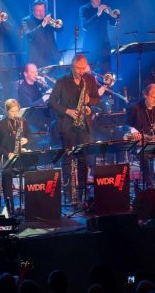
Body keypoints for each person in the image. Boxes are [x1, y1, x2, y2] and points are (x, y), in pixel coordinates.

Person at [49, 54, 101, 204]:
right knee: (67, 160)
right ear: (72, 66)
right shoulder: (62, 81)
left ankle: (83, 193)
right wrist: (67, 111)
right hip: (67, 125)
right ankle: (67, 195)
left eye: (83, 68)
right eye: (78, 68)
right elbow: (52, 102)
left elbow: (96, 98)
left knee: (83, 160)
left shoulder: (89, 79)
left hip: (84, 125)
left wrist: (89, 102)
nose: (81, 71)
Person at [124, 83, 155, 187]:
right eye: (153, 97)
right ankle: (148, 183)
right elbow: (125, 125)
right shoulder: (135, 107)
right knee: (144, 155)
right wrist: (132, 129)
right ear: (145, 95)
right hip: (140, 143)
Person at [0, 99, 31, 212]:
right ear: (7, 111)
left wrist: (26, 140)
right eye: (12, 111)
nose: (15, 114)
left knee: (34, 170)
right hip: (8, 158)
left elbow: (30, 136)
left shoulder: (22, 121)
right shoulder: (0, 125)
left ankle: (32, 203)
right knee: (6, 173)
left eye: (17, 111)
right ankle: (10, 207)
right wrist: (7, 153)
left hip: (21, 156)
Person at [79, 0, 116, 74]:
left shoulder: (104, 8)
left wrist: (112, 15)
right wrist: (98, 14)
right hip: (90, 48)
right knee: (88, 75)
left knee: (107, 75)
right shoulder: (84, 9)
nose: (97, 0)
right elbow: (85, 26)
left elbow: (114, 24)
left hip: (104, 47)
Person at [22, 0, 61, 68]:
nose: (41, 13)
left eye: (42, 10)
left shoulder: (48, 19)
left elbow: (60, 30)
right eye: (38, 10)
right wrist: (43, 24)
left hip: (52, 57)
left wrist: (57, 24)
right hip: (36, 59)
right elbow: (29, 35)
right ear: (33, 10)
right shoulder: (26, 20)